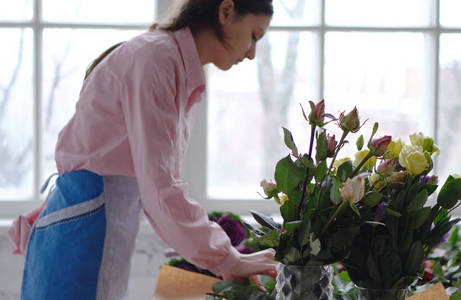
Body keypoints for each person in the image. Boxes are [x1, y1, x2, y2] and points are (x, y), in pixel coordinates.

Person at [8, 0, 277, 299]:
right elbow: (160, 188)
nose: (252, 54)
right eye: (254, 35)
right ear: (226, 10)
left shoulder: (174, 66)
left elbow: (159, 188)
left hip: (93, 226)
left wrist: (224, 262)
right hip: (84, 231)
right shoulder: (156, 58)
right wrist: (229, 259)